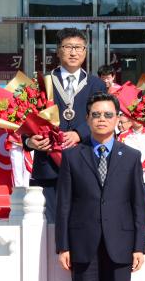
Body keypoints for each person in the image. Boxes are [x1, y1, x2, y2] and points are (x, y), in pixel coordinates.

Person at [55, 92, 145, 281]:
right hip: (83, 243)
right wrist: (63, 245)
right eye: (96, 115)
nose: (102, 120)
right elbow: (64, 204)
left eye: (108, 114)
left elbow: (138, 205)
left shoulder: (130, 157)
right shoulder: (73, 156)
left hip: (120, 243)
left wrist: (139, 245)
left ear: (118, 119)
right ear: (87, 119)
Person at [28, 28, 107, 218]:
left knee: (83, 223)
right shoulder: (42, 82)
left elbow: (102, 116)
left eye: (78, 47)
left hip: (85, 163)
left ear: (85, 51)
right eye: (68, 47)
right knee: (49, 225)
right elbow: (26, 117)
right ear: (58, 50)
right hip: (48, 165)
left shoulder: (96, 84)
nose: (73, 52)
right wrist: (29, 141)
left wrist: (79, 133)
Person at [117, 112, 145, 220]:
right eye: (135, 117)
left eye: (141, 117)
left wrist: (140, 168)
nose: (138, 119)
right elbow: (119, 155)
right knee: (128, 207)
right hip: (128, 177)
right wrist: (129, 169)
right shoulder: (123, 136)